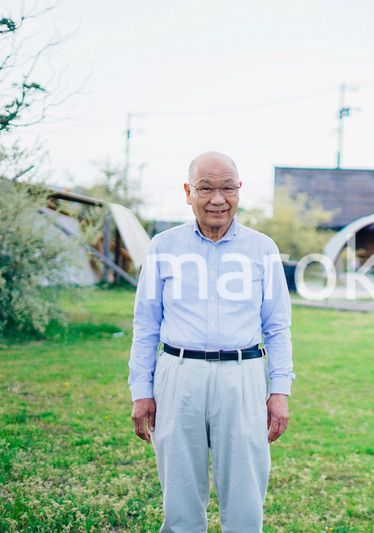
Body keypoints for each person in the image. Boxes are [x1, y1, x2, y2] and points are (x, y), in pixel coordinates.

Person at [128, 152, 294, 532]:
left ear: (239, 191)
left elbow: (278, 327)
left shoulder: (262, 248)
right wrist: (141, 390)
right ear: (188, 192)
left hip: (244, 375)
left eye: (227, 188)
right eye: (206, 188)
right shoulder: (163, 247)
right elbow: (146, 325)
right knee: (181, 493)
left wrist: (280, 391)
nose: (218, 199)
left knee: (245, 493)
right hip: (177, 375)